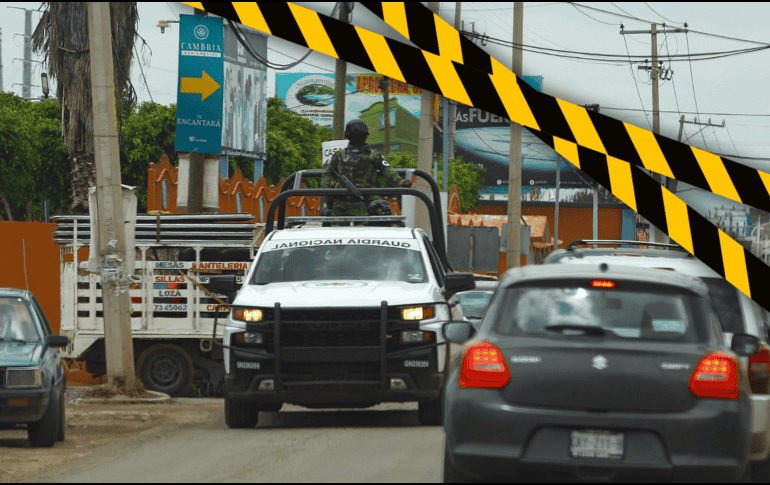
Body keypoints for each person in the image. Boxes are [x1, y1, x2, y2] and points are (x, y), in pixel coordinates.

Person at [321, 119, 412, 217]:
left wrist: (400, 181)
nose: (357, 138)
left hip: (363, 202)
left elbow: (388, 171)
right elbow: (326, 176)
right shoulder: (340, 155)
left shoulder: (373, 155)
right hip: (341, 203)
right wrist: (335, 185)